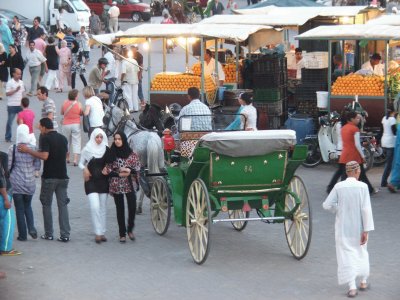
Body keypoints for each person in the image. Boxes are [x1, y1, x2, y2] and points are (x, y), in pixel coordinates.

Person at [323, 161, 374, 298]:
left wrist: (338, 209)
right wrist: (366, 230)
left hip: (343, 228)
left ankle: (352, 287)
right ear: (358, 172)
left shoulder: (339, 187)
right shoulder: (363, 187)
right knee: (362, 252)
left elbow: (327, 205)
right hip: (359, 228)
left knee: (346, 255)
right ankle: (363, 282)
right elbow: (366, 210)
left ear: (346, 172)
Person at [18, 118, 71, 242]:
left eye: (40, 127)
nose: (39, 129)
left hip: (50, 177)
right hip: (63, 177)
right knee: (62, 205)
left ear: (45, 127)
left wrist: (28, 150)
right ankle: (65, 234)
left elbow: (44, 156)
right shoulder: (63, 138)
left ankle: (49, 233)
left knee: (46, 204)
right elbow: (66, 153)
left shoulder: (46, 138)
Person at [103, 131, 140, 243]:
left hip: (129, 184)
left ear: (123, 140)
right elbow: (107, 169)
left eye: (119, 139)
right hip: (117, 184)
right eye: (115, 139)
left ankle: (130, 229)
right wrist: (119, 172)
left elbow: (137, 167)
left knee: (132, 206)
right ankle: (122, 233)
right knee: (120, 209)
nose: (117, 141)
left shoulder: (131, 154)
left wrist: (129, 170)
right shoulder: (111, 153)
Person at [327, 111, 375, 195]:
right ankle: (369, 189)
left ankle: (330, 188)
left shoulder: (344, 128)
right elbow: (357, 144)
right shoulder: (354, 129)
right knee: (361, 173)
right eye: (357, 118)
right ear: (352, 119)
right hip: (353, 154)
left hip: (345, 153)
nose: (358, 120)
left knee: (340, 172)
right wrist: (363, 156)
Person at [9, 124, 41, 241]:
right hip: (30, 183)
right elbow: (37, 166)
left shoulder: (13, 148)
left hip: (16, 182)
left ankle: (22, 235)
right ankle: (31, 227)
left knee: (19, 209)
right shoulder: (33, 148)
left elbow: (8, 166)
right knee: (28, 206)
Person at [79, 128, 109, 244]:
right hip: (90, 181)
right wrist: (85, 168)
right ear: (93, 137)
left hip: (103, 181)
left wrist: (108, 168)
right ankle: (97, 232)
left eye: (101, 137)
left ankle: (102, 232)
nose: (99, 139)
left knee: (102, 207)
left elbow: (111, 162)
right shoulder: (87, 149)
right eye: (97, 137)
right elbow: (81, 163)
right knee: (95, 206)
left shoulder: (106, 149)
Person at [0, 151, 21, 256]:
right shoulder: (2, 156)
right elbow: (1, 180)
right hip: (2, 195)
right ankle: (5, 248)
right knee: (8, 222)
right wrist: (6, 199)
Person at [61, 89, 83, 166]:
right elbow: (81, 113)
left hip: (66, 124)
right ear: (76, 96)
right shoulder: (79, 104)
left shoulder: (64, 102)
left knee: (66, 141)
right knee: (76, 141)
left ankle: (67, 158)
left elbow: (62, 112)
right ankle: (75, 160)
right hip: (76, 124)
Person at [5, 68, 24, 143]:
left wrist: (24, 103)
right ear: (13, 74)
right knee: (10, 122)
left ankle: (22, 137)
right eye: (18, 74)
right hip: (12, 105)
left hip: (20, 105)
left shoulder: (21, 82)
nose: (20, 75)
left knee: (22, 122)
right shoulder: (10, 82)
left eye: (20, 74)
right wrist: (15, 90)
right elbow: (7, 93)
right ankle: (8, 137)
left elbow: (22, 93)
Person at [380, 109, 396, 188]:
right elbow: (394, 132)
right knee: (389, 164)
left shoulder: (384, 118)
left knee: (388, 163)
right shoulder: (392, 119)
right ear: (393, 112)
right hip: (391, 143)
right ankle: (384, 182)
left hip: (384, 141)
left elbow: (381, 130)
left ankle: (384, 181)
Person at [120, 47, 139, 112]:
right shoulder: (134, 61)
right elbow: (138, 71)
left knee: (128, 95)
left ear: (123, 54)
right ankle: (136, 108)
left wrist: (121, 80)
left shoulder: (124, 62)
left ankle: (130, 108)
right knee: (134, 94)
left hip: (127, 81)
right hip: (135, 80)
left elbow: (123, 73)